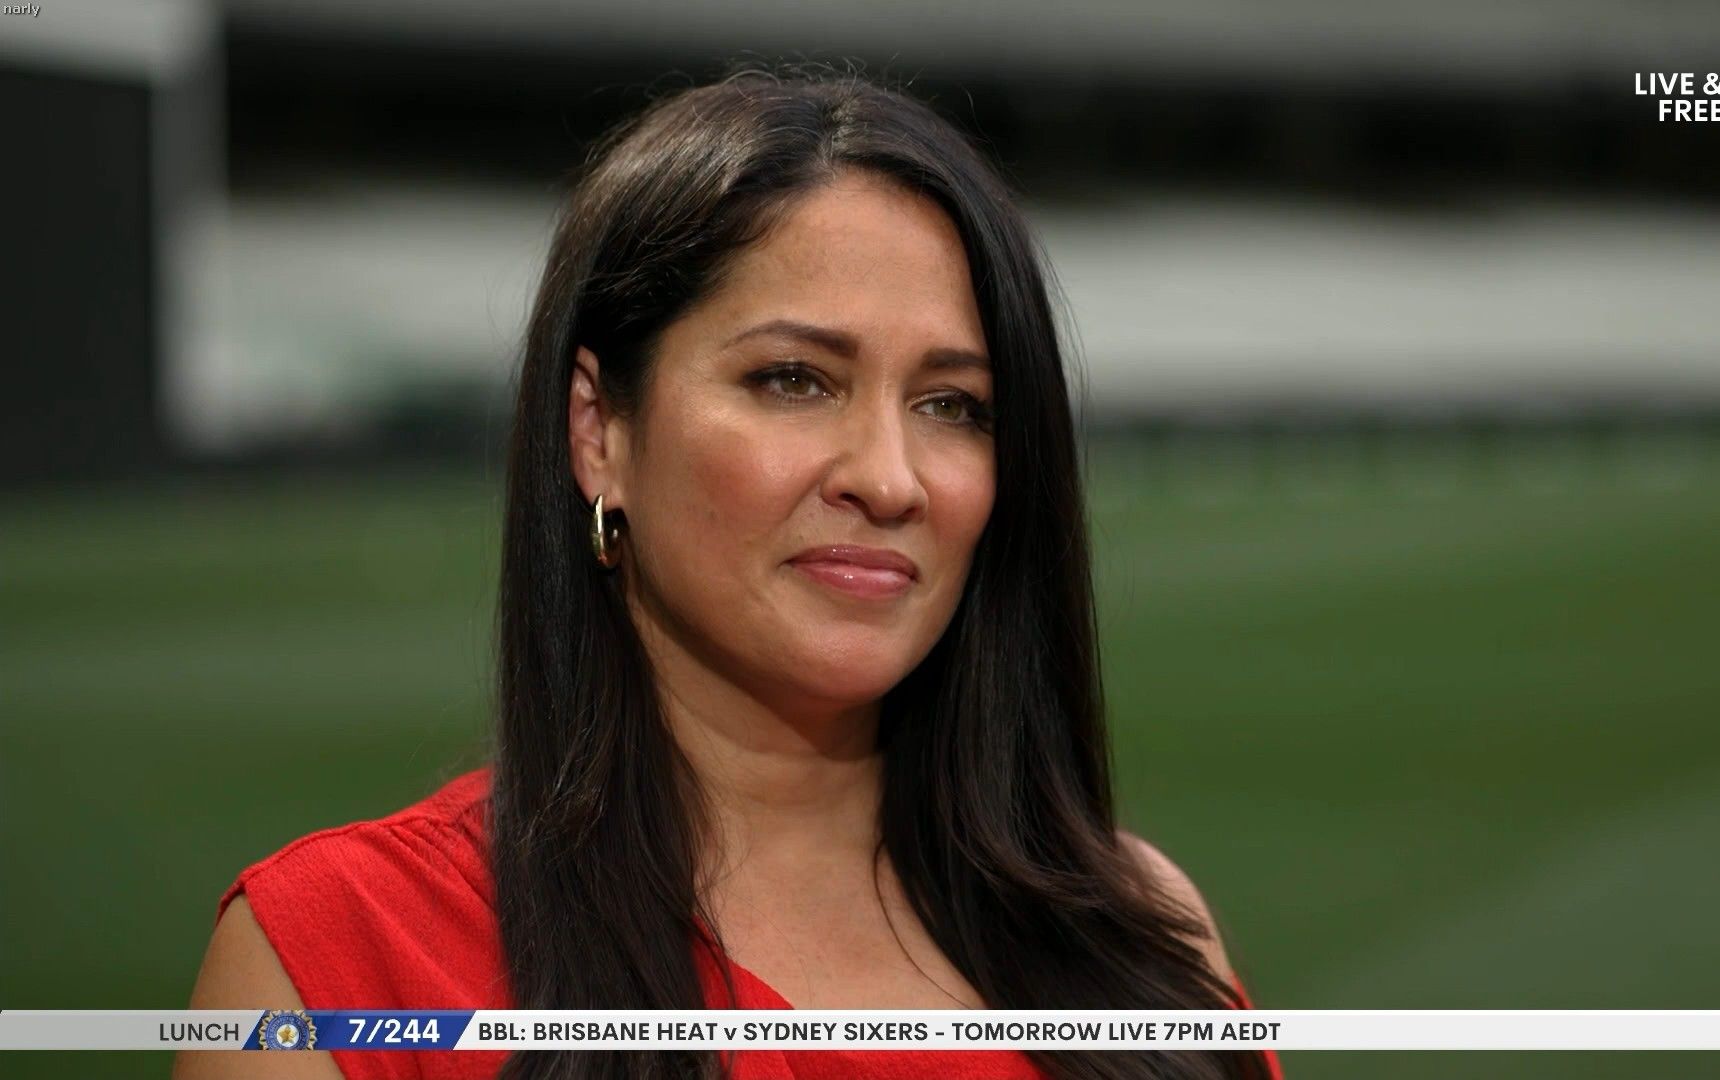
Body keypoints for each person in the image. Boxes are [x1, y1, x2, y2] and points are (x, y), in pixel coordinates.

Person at [176, 66, 1284, 1080]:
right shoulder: (339, 963)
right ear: (599, 429)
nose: (889, 478)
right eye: (794, 379)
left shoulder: (1138, 935)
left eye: (954, 405)